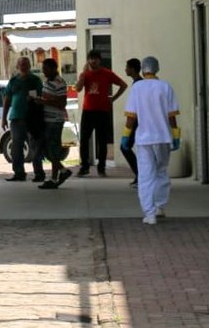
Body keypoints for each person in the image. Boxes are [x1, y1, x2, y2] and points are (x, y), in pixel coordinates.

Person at [122, 56, 180, 225]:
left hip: (144, 139)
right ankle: (160, 206)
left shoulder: (137, 88)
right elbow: (172, 116)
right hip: (163, 138)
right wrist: (176, 136)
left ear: (142, 70)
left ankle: (150, 213)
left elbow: (131, 117)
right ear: (157, 69)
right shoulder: (166, 87)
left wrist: (126, 136)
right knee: (161, 171)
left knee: (146, 176)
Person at [75, 49, 128, 177]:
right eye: (91, 58)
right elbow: (78, 88)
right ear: (88, 60)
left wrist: (113, 98)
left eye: (95, 58)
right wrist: (82, 75)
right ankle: (84, 166)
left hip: (102, 111)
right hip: (88, 111)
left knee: (102, 140)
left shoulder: (107, 73)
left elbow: (123, 85)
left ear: (100, 60)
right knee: (84, 140)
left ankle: (101, 167)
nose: (93, 61)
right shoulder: (85, 74)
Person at [0, 57, 44, 182]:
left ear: (30, 66)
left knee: (34, 145)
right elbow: (7, 100)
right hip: (16, 118)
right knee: (16, 146)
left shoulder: (35, 80)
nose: (24, 66)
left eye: (26, 64)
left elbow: (39, 96)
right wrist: (3, 118)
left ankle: (39, 173)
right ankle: (19, 173)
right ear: (17, 66)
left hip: (32, 117)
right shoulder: (13, 81)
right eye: (21, 64)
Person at [35, 58, 73, 189]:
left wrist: (44, 102)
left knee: (52, 150)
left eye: (46, 69)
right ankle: (61, 172)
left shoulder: (59, 83)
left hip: (55, 120)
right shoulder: (46, 82)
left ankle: (55, 177)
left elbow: (62, 103)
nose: (44, 72)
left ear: (53, 69)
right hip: (46, 119)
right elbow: (46, 98)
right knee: (47, 150)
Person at [120, 58, 142, 188]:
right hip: (137, 122)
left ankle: (140, 175)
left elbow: (133, 109)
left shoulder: (138, 84)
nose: (125, 69)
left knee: (125, 147)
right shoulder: (137, 83)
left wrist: (128, 129)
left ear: (132, 69)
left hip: (136, 122)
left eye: (127, 67)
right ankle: (139, 175)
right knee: (126, 148)